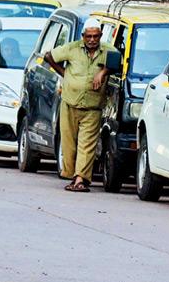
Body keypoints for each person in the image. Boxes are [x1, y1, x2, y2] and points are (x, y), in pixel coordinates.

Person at [43, 18, 116, 192]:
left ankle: (80, 179)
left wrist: (103, 72)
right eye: (89, 36)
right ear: (83, 36)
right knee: (69, 143)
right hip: (70, 103)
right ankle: (70, 174)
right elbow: (48, 56)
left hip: (92, 107)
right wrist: (64, 74)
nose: (92, 40)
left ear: (100, 36)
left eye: (96, 36)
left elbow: (117, 63)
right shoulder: (72, 48)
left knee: (87, 145)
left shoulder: (107, 50)